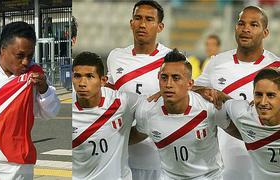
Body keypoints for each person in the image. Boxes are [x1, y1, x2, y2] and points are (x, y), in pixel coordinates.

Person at [0, 21, 60, 179]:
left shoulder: (35, 74)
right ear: (2, 49)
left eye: (30, 56)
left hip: (15, 165)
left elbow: (50, 112)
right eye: (20, 56)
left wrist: (44, 89)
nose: (26, 62)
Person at [194, 6, 280, 180]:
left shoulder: (277, 67)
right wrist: (205, 91)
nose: (246, 29)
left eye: (254, 25)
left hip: (268, 164)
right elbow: (193, 91)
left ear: (265, 32)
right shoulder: (216, 63)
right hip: (225, 166)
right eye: (241, 23)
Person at [134, 49, 240, 179]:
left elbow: (241, 132)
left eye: (176, 78)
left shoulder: (210, 107)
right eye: (164, 77)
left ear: (190, 84)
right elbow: (133, 135)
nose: (168, 84)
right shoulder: (147, 110)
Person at [106, 1, 171, 179]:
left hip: (160, 160)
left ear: (160, 26)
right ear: (131, 23)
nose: (142, 24)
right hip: (120, 157)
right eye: (138, 18)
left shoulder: (172, 59)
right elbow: (108, 96)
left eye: (149, 19)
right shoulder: (115, 57)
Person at [72, 51, 141, 179]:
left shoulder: (122, 101)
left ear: (103, 80)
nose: (82, 83)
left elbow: (154, 109)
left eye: (89, 76)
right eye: (77, 76)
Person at [221, 68, 280, 180]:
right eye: (258, 95)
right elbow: (219, 96)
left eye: (270, 95)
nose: (263, 102)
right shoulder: (243, 114)